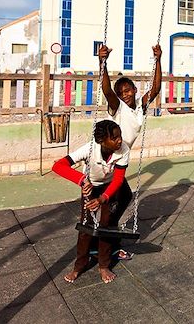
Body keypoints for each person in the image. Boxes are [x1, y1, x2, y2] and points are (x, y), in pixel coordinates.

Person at [53, 119, 131, 284]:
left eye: (120, 136)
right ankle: (79, 266)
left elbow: (118, 180)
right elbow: (58, 166)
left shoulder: (123, 149)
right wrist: (81, 180)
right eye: (115, 138)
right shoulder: (89, 149)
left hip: (109, 187)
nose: (120, 140)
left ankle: (104, 265)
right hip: (91, 186)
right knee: (86, 227)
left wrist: (103, 198)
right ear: (102, 141)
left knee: (106, 226)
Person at [98, 44, 162, 152]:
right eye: (120, 93)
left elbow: (155, 89)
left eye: (127, 91)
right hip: (102, 154)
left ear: (135, 90)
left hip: (121, 154)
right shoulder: (118, 106)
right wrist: (102, 63)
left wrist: (158, 60)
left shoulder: (140, 106)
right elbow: (107, 91)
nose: (124, 95)